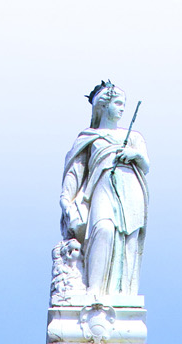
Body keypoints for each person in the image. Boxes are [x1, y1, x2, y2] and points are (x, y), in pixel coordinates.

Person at [60, 82, 149, 301]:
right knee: (103, 229)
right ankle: (94, 290)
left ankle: (123, 294)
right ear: (102, 105)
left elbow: (146, 166)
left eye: (124, 104)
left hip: (131, 187)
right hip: (101, 186)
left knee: (128, 239)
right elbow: (76, 171)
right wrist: (65, 199)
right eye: (117, 103)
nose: (122, 108)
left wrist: (134, 155)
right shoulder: (89, 137)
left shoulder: (135, 137)